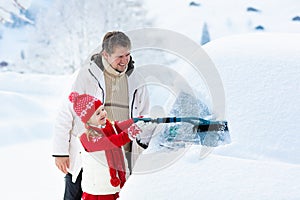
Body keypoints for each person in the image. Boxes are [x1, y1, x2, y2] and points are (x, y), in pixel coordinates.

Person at [52, 31, 152, 200]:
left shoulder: (137, 79)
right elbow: (64, 114)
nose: (125, 60)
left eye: (127, 55)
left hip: (120, 157)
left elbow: (143, 114)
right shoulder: (86, 75)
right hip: (88, 154)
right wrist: (60, 152)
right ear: (105, 54)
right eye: (119, 56)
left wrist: (142, 135)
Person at [68, 91, 143, 200]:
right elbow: (110, 142)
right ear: (88, 120)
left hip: (115, 186)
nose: (103, 113)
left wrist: (136, 120)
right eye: (97, 113)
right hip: (98, 191)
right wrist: (129, 134)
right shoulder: (87, 138)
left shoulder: (108, 126)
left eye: (102, 109)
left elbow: (119, 126)